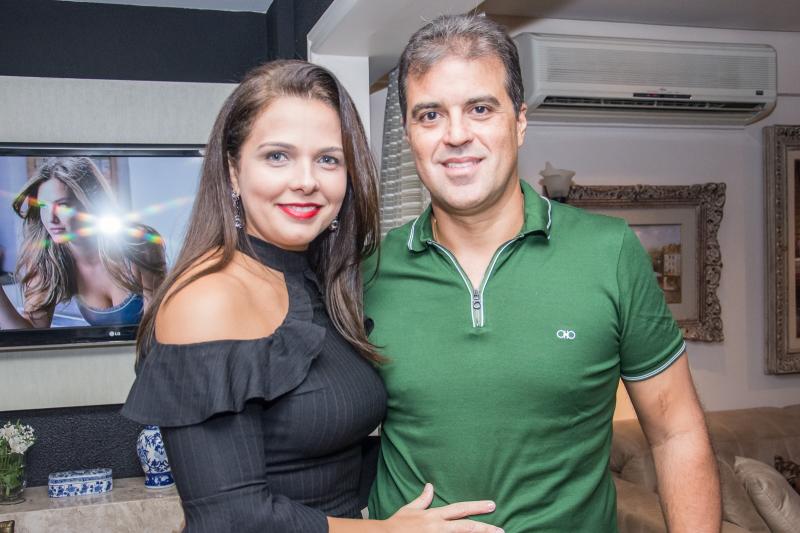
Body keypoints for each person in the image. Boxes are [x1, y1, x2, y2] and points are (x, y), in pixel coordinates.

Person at [364, 14, 721, 532]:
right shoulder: (367, 273)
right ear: (409, 135)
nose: (456, 135)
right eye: (430, 115)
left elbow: (676, 433)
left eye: (480, 108)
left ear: (519, 122)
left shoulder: (609, 252)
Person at [122, 60, 503, 533]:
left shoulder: (321, 280)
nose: (306, 180)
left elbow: (324, 446)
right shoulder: (208, 298)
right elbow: (231, 518)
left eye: (328, 159)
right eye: (277, 156)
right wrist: (389, 532)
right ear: (233, 171)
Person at [0, 157, 166, 329]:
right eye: (44, 206)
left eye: (63, 205)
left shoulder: (140, 245)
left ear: (90, 203)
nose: (51, 219)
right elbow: (32, 334)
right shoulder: (47, 260)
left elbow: (156, 330)